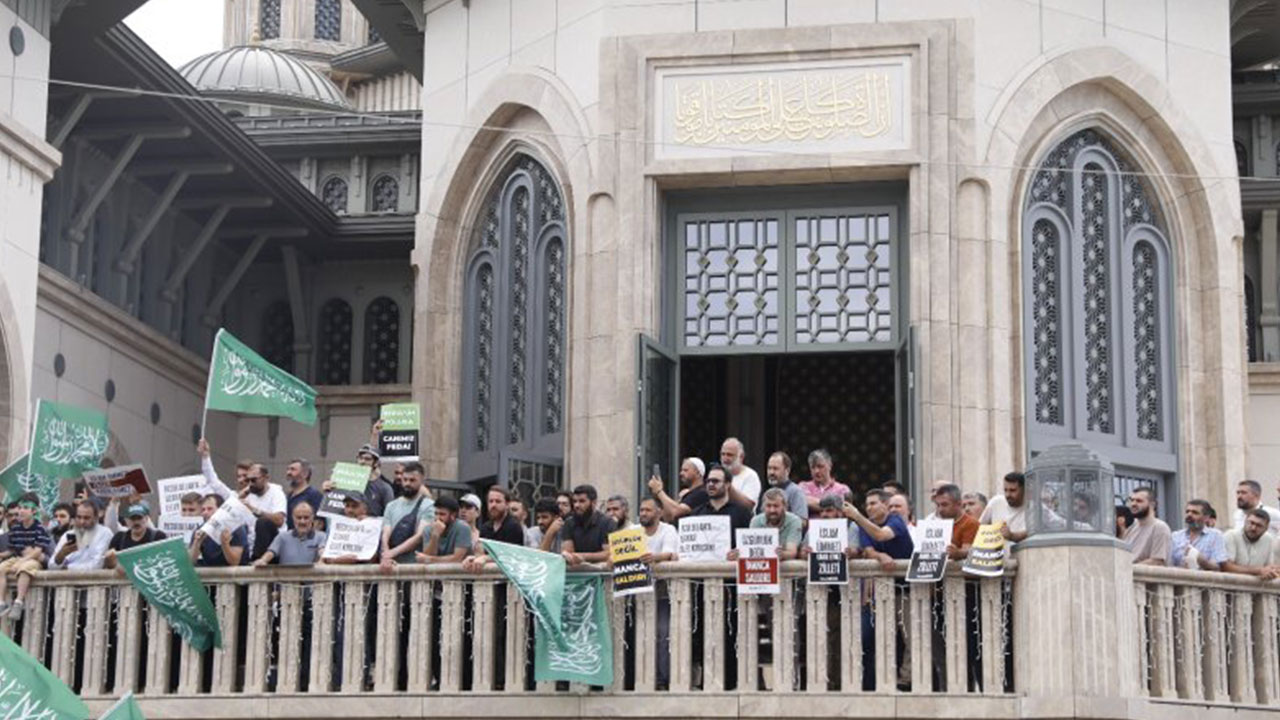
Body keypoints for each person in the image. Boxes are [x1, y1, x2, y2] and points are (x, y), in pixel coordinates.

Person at [0, 495, 52, 620]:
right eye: (20, 507)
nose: (21, 511)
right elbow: (12, 550)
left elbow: (37, 551)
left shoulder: (40, 529)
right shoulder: (16, 529)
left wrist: (23, 560)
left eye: (26, 508)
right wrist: (2, 555)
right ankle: (1, 602)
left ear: (34, 511)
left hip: (32, 560)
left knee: (24, 569)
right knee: (1, 568)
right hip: (17, 558)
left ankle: (18, 601)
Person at [380, 461, 435, 570]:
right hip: (390, 565)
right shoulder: (391, 505)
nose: (407, 484)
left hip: (414, 566)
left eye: (412, 480)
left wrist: (392, 553)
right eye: (405, 480)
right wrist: (386, 554)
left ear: (422, 480)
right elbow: (385, 533)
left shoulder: (429, 505)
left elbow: (419, 536)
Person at [689, 465, 753, 547]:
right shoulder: (696, 513)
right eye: (708, 481)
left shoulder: (742, 513)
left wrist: (739, 552)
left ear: (727, 484)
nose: (711, 484)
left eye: (715, 481)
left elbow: (749, 543)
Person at [254, 501, 325, 567]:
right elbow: (271, 552)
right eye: (299, 518)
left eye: (306, 518)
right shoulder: (282, 537)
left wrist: (322, 561)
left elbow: (322, 551)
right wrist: (263, 560)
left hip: (312, 579)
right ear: (293, 518)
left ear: (312, 518)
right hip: (286, 579)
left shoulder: (321, 536)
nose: (302, 521)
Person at [240, 463, 288, 560]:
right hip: (252, 544)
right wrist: (239, 497)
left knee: (263, 522)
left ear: (266, 478)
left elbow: (279, 520)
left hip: (274, 546)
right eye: (247, 480)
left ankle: (258, 559)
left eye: (254, 480)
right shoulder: (249, 494)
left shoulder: (276, 493)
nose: (250, 484)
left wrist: (255, 510)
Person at [738, 488, 801, 560]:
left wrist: (782, 554)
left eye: (776, 506)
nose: (772, 510)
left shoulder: (794, 521)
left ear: (784, 507)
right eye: (768, 506)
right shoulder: (756, 521)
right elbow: (751, 550)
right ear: (763, 507)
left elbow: (792, 553)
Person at [561, 484, 617, 566]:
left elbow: (608, 553)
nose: (576, 505)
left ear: (593, 503)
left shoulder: (608, 523)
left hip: (601, 571)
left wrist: (583, 556)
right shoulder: (569, 523)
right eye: (575, 501)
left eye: (582, 501)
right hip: (576, 571)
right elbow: (569, 552)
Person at [48, 500, 111, 571]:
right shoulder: (68, 535)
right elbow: (51, 566)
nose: (82, 522)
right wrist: (61, 555)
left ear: (96, 518)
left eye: (86, 518)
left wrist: (68, 568)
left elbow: (97, 565)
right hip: (64, 579)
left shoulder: (104, 533)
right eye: (79, 517)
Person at [189, 494, 249, 567]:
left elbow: (234, 562)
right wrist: (197, 542)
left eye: (210, 509)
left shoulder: (236, 528)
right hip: (211, 574)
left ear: (220, 510)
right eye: (203, 510)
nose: (205, 513)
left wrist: (225, 544)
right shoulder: (200, 530)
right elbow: (190, 562)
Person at [104, 502, 167, 570]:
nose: (136, 522)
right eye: (133, 519)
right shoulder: (119, 539)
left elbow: (166, 561)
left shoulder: (158, 537)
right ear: (126, 520)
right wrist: (111, 560)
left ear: (146, 519)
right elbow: (109, 565)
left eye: (139, 518)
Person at [1170, 500, 1228, 570]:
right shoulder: (1175, 536)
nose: (1189, 515)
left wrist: (1200, 559)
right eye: (1187, 512)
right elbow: (1168, 564)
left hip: (1204, 579)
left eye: (1195, 512)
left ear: (1206, 517)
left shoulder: (1215, 536)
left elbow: (1218, 567)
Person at [647, 458, 708, 522]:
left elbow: (676, 511)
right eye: (681, 470)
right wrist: (657, 495)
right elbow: (668, 517)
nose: (681, 473)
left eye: (685, 470)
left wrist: (659, 491)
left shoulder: (702, 493)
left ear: (698, 473)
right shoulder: (687, 494)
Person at [322, 492, 376, 565]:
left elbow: (374, 557)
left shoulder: (373, 527)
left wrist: (368, 523)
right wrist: (338, 560)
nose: (350, 510)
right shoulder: (335, 527)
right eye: (347, 506)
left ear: (364, 509)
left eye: (354, 506)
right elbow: (326, 555)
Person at [1223, 508, 1278, 578]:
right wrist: (1258, 571)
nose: (1253, 528)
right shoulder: (1231, 535)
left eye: (1259, 526)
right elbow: (1226, 567)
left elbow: (1268, 567)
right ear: (1245, 521)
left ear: (1266, 528)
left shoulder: (1268, 539)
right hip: (1231, 585)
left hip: (1256, 587)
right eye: (1251, 523)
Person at [1123, 487, 1172, 566]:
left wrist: (1128, 568)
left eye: (1139, 501)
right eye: (1132, 500)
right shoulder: (1131, 528)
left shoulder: (1160, 527)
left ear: (1152, 504)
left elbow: (1157, 561)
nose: (1133, 504)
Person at [417, 496, 472, 563]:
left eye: (442, 514)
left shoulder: (462, 527)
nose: (438, 518)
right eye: (436, 514)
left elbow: (457, 558)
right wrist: (435, 536)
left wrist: (430, 559)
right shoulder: (428, 529)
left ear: (453, 515)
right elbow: (427, 557)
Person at [980, 472, 1029, 544]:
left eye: (1013, 490)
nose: (1008, 495)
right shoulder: (996, 502)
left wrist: (1012, 536)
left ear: (1024, 489)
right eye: (1005, 490)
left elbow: (1032, 533)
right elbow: (979, 528)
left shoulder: (1035, 508)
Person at [799, 449, 853, 513]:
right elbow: (804, 502)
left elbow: (845, 510)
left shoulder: (843, 489)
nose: (816, 471)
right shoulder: (803, 486)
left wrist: (815, 504)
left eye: (820, 466)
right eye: (813, 467)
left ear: (830, 465)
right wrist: (833, 505)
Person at [934, 484, 979, 560]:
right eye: (938, 505)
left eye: (944, 505)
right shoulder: (937, 524)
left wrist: (957, 553)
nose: (940, 509)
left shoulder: (970, 523)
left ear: (959, 504)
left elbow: (969, 551)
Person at [352, 444, 396, 518]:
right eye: (360, 458)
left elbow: (390, 517)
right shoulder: (346, 482)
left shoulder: (384, 488)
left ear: (375, 463)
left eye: (367, 459)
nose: (362, 462)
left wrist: (369, 519)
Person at [763, 452, 808, 520]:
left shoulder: (795, 492)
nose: (771, 472)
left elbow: (802, 522)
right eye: (769, 468)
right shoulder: (767, 493)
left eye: (775, 469)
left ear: (787, 470)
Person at [720, 437, 762, 508]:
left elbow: (749, 506)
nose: (725, 458)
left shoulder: (751, 476)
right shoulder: (716, 475)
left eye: (729, 455)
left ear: (741, 457)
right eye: (723, 454)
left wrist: (728, 487)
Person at [284, 458, 325, 531]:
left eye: (293, 469)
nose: (288, 473)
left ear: (305, 474)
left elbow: (319, 522)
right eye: (288, 469)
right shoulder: (287, 496)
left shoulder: (314, 495)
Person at [637, 497, 678, 563]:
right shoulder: (633, 530)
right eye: (641, 510)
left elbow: (669, 553)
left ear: (659, 513)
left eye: (648, 510)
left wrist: (653, 557)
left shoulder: (668, 530)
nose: (643, 514)